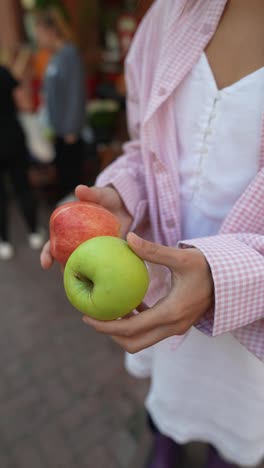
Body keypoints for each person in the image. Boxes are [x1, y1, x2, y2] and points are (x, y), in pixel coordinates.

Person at [41, 1, 264, 467]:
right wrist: (122, 197)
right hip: (162, 295)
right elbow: (146, 149)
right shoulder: (169, 15)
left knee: (238, 433)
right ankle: (165, 440)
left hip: (252, 338)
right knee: (170, 407)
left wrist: (227, 278)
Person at [33, 8, 86, 199]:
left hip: (69, 132)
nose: (37, 38)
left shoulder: (69, 55)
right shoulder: (54, 57)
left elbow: (75, 92)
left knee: (72, 179)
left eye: (39, 33)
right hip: (57, 130)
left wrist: (72, 128)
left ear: (51, 31)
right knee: (63, 176)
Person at [0, 62, 44, 260]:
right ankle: (34, 233)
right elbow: (25, 104)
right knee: (23, 187)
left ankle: (4, 243)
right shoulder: (3, 70)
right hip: (13, 138)